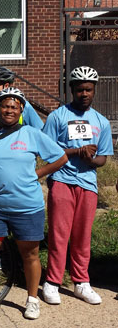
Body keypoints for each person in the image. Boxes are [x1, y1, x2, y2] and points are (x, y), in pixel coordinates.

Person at [0, 87, 67, 321]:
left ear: (21, 109)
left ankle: (32, 300)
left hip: (27, 207)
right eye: (5, 105)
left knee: (30, 255)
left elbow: (61, 157)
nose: (9, 109)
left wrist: (37, 173)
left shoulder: (31, 133)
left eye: (14, 106)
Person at [41, 66, 114, 306]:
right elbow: (47, 150)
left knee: (83, 236)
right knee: (59, 235)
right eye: (80, 89)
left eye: (89, 90)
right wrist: (76, 151)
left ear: (94, 91)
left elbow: (103, 158)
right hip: (62, 180)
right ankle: (52, 282)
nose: (84, 94)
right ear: (71, 89)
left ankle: (81, 281)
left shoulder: (101, 122)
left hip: (88, 184)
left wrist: (90, 159)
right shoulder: (57, 117)